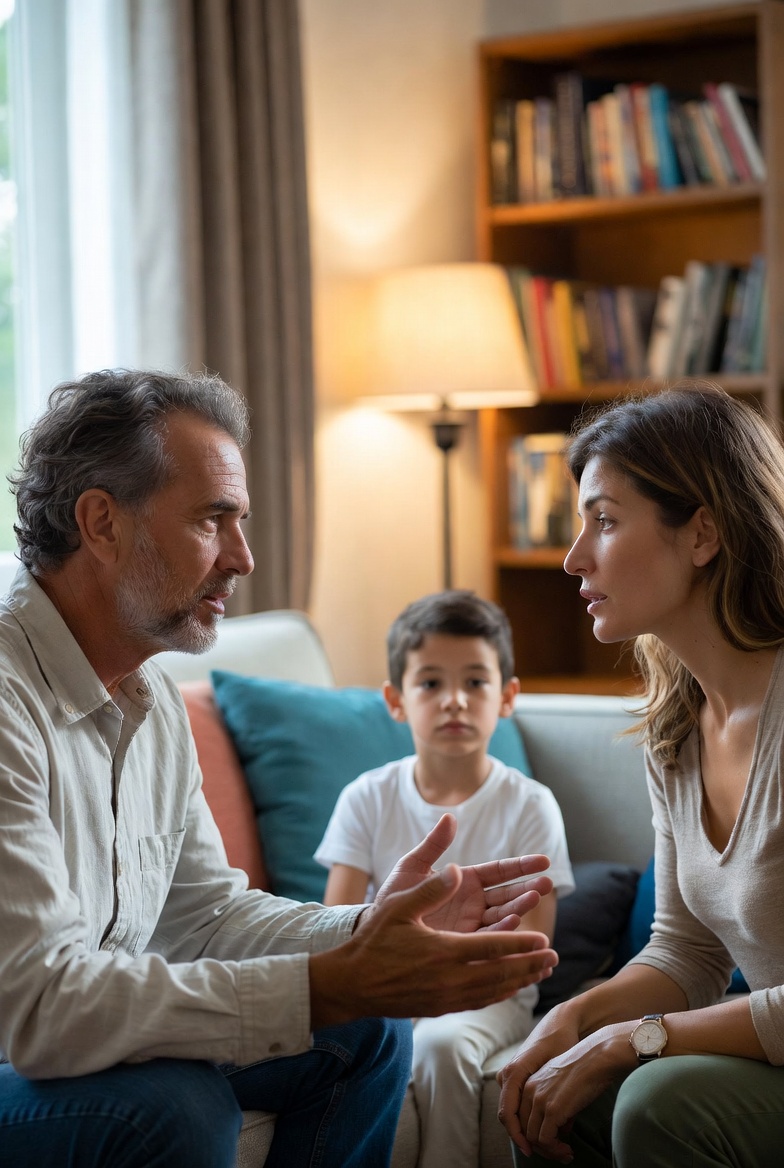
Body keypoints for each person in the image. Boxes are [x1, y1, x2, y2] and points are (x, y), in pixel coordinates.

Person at [0, 368, 560, 1168]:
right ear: (101, 522)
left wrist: (370, 931)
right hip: (18, 1046)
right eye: (212, 520)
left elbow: (205, 918)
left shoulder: (149, 695)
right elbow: (38, 1009)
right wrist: (327, 984)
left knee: (368, 1028)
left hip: (58, 1035)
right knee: (172, 1109)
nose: (244, 558)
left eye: (241, 522)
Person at [497, 380, 784, 1168]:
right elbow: (686, 953)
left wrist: (633, 1040)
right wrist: (574, 1020)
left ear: (702, 534)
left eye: (605, 521)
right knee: (552, 1094)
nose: (573, 557)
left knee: (658, 1100)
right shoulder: (677, 729)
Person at [316, 589, 574, 1168]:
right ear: (396, 700)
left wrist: (437, 979)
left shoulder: (531, 804)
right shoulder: (365, 797)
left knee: (440, 1042)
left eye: (475, 682)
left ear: (507, 696)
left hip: (490, 996)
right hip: (386, 984)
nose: (454, 700)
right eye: (430, 682)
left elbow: (532, 948)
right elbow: (336, 928)